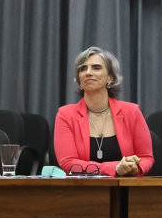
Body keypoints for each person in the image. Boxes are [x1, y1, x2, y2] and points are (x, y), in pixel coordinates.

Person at [53, 46, 153, 176]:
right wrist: (115, 168)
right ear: (79, 79)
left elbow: (146, 157)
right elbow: (69, 163)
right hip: (82, 190)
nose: (88, 72)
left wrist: (135, 167)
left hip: (125, 188)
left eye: (96, 68)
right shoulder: (65, 115)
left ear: (110, 77)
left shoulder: (131, 112)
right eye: (83, 68)